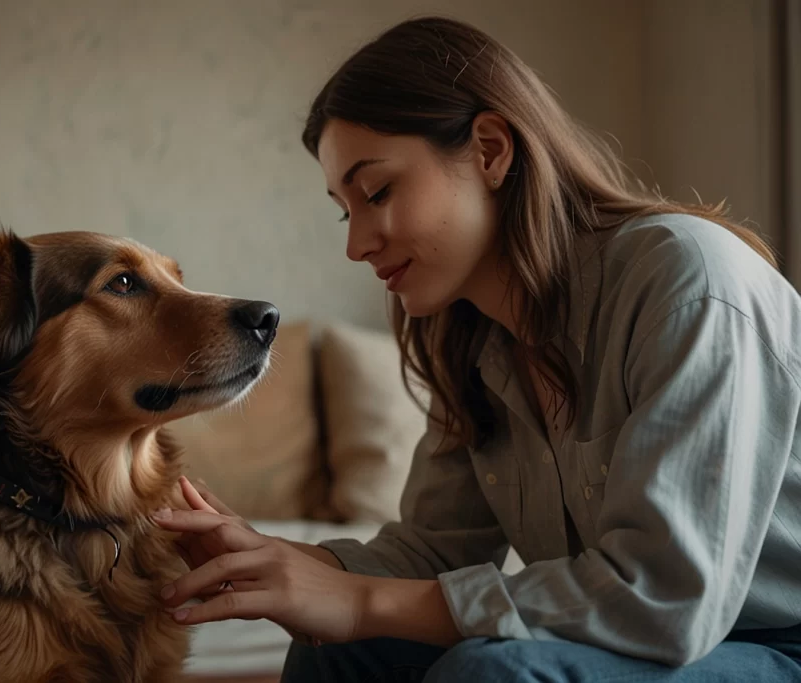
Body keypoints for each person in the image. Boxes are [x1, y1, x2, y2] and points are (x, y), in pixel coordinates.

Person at [151, 15, 801, 682]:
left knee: (490, 675)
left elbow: (663, 598)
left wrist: (362, 598)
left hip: (773, 637)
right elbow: (435, 551)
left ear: (491, 149)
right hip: (662, 634)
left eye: (378, 192)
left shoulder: (688, 280)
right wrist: (274, 562)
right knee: (343, 652)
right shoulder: (471, 336)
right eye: (349, 210)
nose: (357, 244)